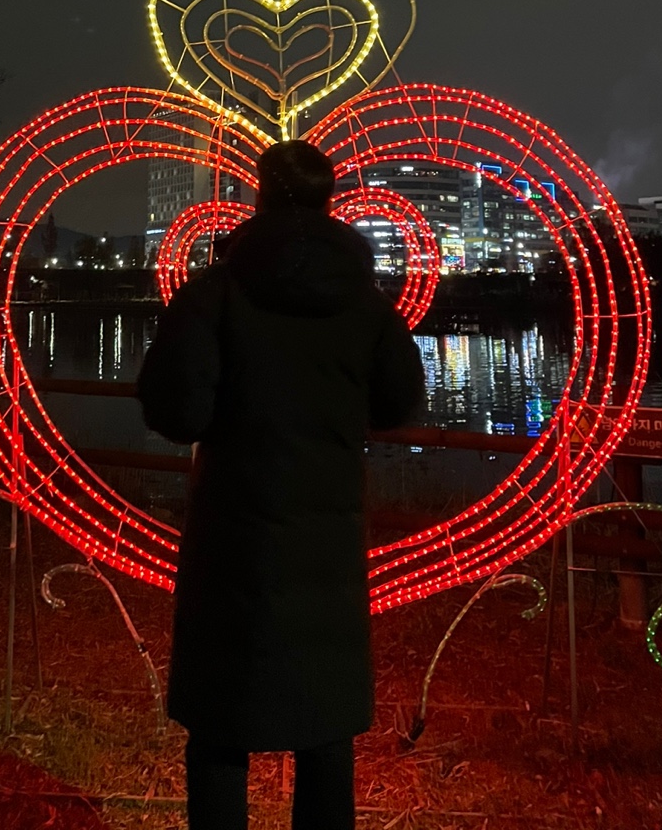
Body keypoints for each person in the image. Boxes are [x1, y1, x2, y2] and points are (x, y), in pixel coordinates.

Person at [137, 139, 425, 830]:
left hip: (233, 538)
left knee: (219, 727)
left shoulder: (215, 294)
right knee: (325, 729)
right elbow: (399, 403)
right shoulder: (365, 305)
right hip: (326, 540)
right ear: (330, 200)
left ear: (259, 195)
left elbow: (176, 411)